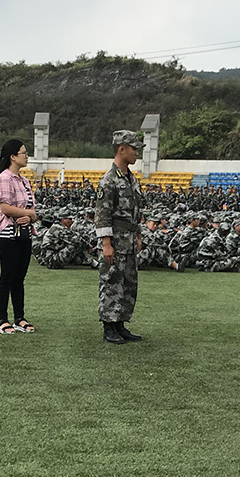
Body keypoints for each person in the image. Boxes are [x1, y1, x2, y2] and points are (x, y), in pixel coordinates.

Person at [95, 129, 145, 344]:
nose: (137, 153)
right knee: (112, 282)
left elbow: (136, 210)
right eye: (134, 148)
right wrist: (106, 243)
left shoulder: (130, 178)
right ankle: (109, 326)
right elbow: (102, 214)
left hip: (130, 240)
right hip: (116, 240)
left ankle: (120, 323)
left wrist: (138, 234)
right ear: (121, 149)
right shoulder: (109, 180)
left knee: (128, 284)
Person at [0, 137, 38, 334]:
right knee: (7, 276)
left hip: (24, 234)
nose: (27, 157)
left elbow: (33, 211)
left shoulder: (24, 181)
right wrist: (27, 214)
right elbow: (5, 207)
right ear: (12, 157)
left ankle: (19, 317)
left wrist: (30, 217)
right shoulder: (4, 179)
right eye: (23, 153)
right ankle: (1, 319)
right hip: (8, 234)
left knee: (19, 278)